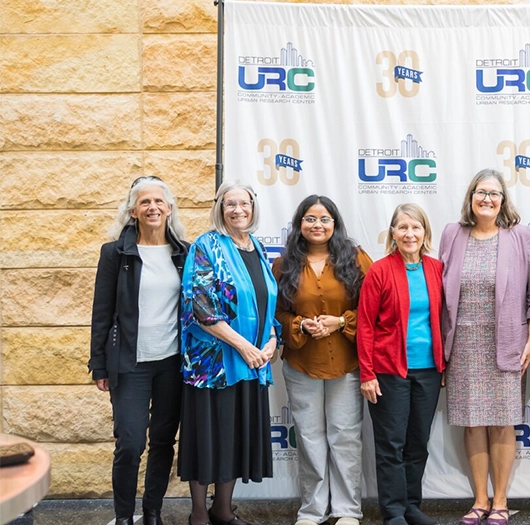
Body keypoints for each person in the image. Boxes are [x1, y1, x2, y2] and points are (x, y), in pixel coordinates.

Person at [178, 180, 279, 525]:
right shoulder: (207, 245)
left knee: (233, 437)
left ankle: (223, 509)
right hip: (213, 365)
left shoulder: (259, 248)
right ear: (220, 208)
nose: (238, 210)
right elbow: (201, 308)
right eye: (230, 204)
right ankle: (198, 513)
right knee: (208, 437)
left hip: (252, 363)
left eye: (244, 203)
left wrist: (271, 342)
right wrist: (245, 347)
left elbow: (269, 305)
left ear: (253, 207)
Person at [89, 176, 188, 525]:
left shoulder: (184, 253)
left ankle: (152, 511)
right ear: (133, 211)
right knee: (130, 443)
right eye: (145, 202)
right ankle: (123, 516)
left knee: (162, 441)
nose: (153, 207)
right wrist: (98, 364)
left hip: (172, 363)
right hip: (130, 363)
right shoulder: (115, 253)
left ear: (169, 209)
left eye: (159, 202)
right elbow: (102, 310)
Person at [441, 168, 530, 525]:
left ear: (503, 200)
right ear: (471, 197)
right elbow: (441, 294)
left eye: (494, 193)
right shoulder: (453, 234)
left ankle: (500, 500)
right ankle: (479, 499)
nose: (487, 199)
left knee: (502, 424)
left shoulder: (519, 236)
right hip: (462, 343)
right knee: (471, 424)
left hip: (508, 341)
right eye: (481, 192)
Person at [271, 196, 372, 525]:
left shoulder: (355, 259)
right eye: (310, 219)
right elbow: (276, 313)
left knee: (344, 435)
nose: (317, 225)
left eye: (324, 219)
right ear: (299, 224)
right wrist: (299, 324)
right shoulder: (284, 264)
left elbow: (373, 309)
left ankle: (347, 510)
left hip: (347, 363)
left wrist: (340, 322)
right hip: (302, 363)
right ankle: (313, 510)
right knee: (310, 437)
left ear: (335, 223)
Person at [358, 203, 446, 525]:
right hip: (388, 370)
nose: (410, 234)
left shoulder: (436, 269)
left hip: (428, 370)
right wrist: (367, 373)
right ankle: (393, 511)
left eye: (416, 227)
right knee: (391, 443)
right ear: (393, 233)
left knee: (417, 442)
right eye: (403, 227)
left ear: (425, 233)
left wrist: (443, 365)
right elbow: (365, 325)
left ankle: (411, 505)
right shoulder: (380, 271)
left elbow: (443, 319)